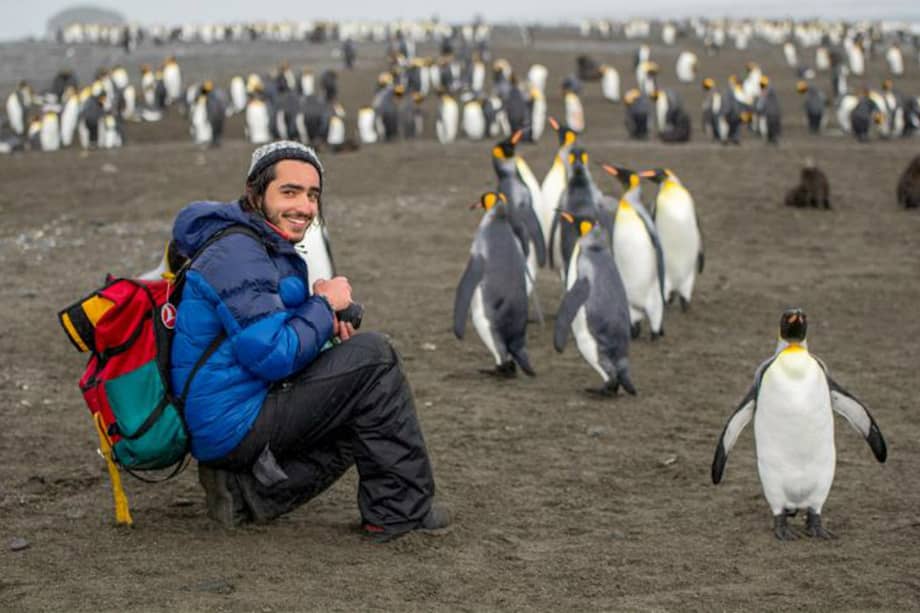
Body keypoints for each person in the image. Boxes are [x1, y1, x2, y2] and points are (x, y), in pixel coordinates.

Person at [169, 140, 449, 541]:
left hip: (232, 409)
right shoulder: (237, 253)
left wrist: (321, 317)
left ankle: (248, 493)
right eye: (290, 192)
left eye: (312, 195)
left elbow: (263, 323)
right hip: (230, 419)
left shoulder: (259, 242)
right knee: (375, 359)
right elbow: (272, 354)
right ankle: (398, 512)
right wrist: (323, 304)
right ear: (255, 192)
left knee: (363, 393)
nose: (304, 206)